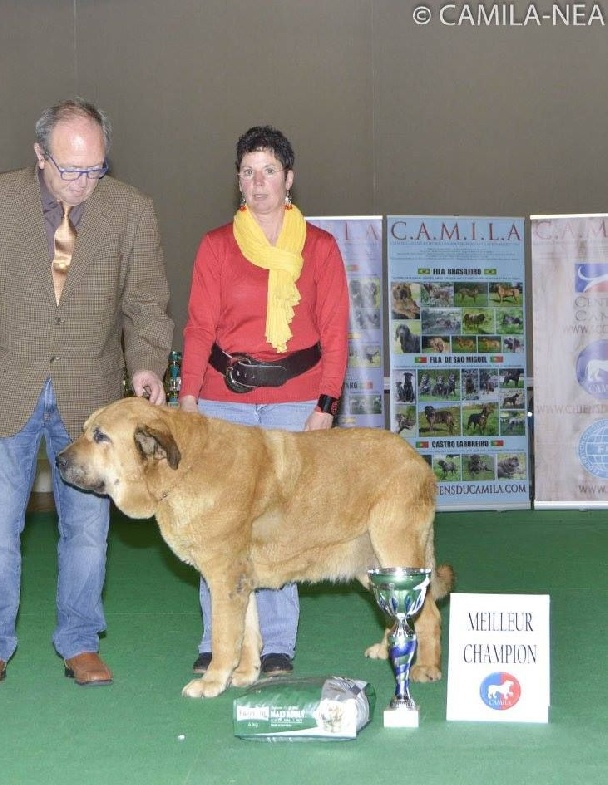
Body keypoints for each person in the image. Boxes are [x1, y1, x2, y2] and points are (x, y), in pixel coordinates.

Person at [0, 98, 173, 691]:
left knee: (88, 529)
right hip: (0, 387)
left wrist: (146, 367)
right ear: (39, 156)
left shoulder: (132, 210)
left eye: (95, 170)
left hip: (90, 397)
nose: (84, 183)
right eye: (69, 170)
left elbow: (147, 303)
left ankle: (80, 641)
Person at [179, 125, 349, 677]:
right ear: (238, 181)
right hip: (223, 404)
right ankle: (216, 641)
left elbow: (336, 332)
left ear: (289, 179)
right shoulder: (216, 246)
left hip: (294, 404)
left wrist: (326, 404)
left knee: (279, 526)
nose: (258, 183)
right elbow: (200, 328)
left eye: (269, 171)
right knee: (217, 526)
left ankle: (276, 644)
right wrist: (188, 398)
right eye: (248, 171)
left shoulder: (320, 248)